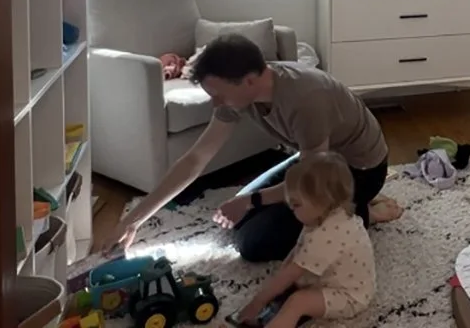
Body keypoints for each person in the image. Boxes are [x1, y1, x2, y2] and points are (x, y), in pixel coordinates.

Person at [99, 33, 400, 261]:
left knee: (254, 244)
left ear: (250, 80)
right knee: (236, 218)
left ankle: (359, 213)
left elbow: (310, 181)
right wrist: (132, 221)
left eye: (218, 94)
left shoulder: (307, 97)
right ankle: (341, 210)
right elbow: (196, 159)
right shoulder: (239, 96)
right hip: (316, 160)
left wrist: (252, 200)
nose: (215, 103)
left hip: (358, 169)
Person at [231, 153, 376, 327]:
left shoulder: (327, 235)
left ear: (324, 200)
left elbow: (291, 272)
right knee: (285, 290)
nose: (291, 209)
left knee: (298, 302)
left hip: (350, 296)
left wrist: (258, 301)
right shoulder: (326, 215)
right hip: (330, 280)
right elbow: (298, 252)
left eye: (296, 204)